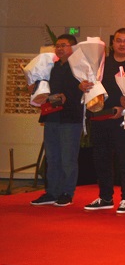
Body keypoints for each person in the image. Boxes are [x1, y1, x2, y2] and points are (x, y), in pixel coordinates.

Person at [83, 29, 125, 214]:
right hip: (100, 117)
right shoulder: (101, 63)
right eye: (118, 40)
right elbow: (92, 86)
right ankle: (105, 197)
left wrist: (124, 108)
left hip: (124, 118)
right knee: (101, 158)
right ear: (113, 43)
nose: (122, 44)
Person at [30, 34, 83, 207]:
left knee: (68, 158)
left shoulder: (80, 67)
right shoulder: (51, 67)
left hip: (70, 118)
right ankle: (51, 192)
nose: (59, 49)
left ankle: (67, 192)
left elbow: (85, 91)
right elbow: (43, 88)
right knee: (52, 157)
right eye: (57, 46)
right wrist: (35, 90)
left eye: (64, 45)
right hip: (51, 115)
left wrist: (69, 96)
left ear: (73, 48)